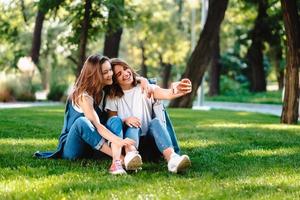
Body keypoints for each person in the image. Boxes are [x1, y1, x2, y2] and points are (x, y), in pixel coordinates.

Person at [34, 54, 138, 175]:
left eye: (110, 70)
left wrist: (145, 82)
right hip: (73, 149)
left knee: (115, 120)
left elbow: (132, 80)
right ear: (95, 75)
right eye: (105, 72)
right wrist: (119, 141)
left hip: (93, 147)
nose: (110, 74)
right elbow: (97, 126)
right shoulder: (83, 95)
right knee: (82, 122)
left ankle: (115, 163)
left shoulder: (104, 91)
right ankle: (121, 158)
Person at [105, 58, 192, 173]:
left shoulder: (146, 87)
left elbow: (167, 93)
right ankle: (130, 157)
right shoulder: (113, 97)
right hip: (130, 143)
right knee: (133, 125)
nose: (125, 74)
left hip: (151, 142)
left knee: (155, 122)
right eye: (119, 74)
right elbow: (112, 122)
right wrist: (125, 120)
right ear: (115, 80)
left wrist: (176, 90)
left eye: (125, 69)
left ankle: (172, 159)